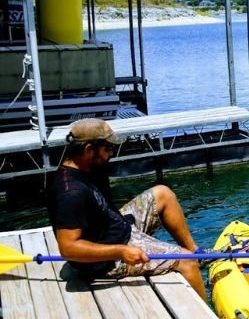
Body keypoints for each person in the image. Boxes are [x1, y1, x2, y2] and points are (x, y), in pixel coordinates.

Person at [47, 118, 206, 298]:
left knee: (163, 193)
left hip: (116, 227)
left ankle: (195, 251)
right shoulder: (70, 193)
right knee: (187, 262)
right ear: (89, 150)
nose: (111, 153)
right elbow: (68, 248)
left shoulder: (88, 168)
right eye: (107, 148)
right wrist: (121, 251)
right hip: (109, 259)